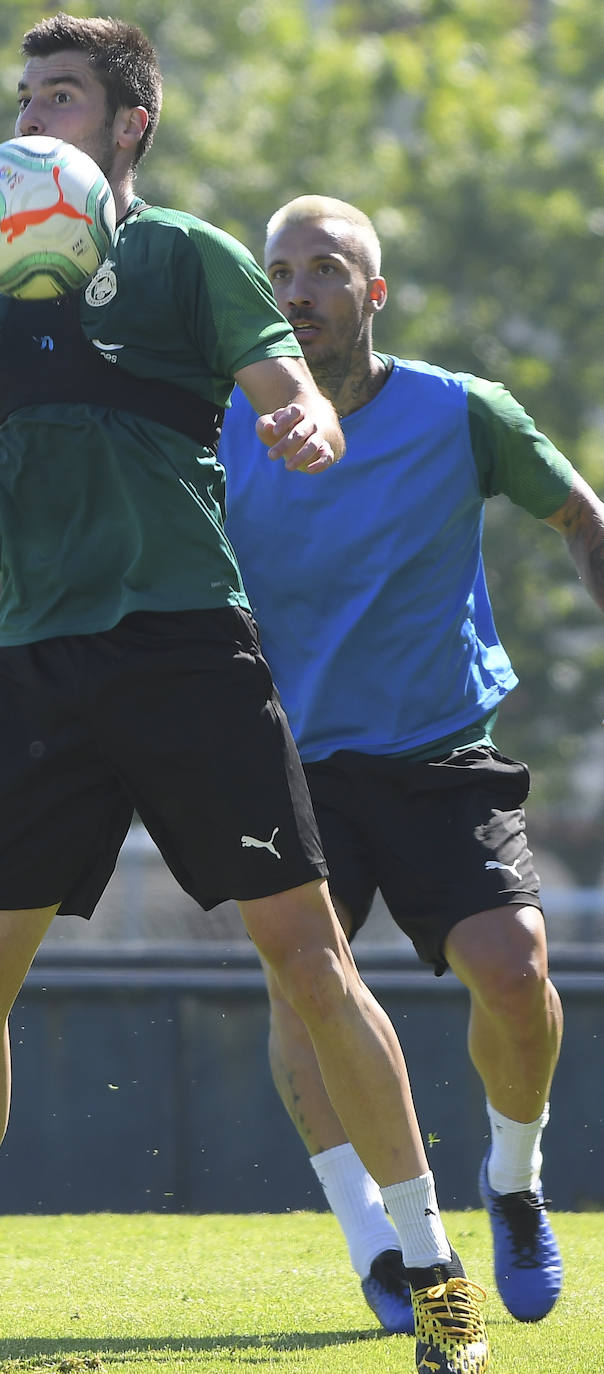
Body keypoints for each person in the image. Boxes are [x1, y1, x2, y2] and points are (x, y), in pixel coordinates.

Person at [0, 21, 487, 1374]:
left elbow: (289, 387)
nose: (30, 114)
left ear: (128, 125)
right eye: (21, 96)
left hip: (186, 652)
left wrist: (306, 417)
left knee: (309, 962)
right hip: (39, 671)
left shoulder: (185, 252)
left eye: (58, 95)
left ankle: (433, 1277)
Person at [219, 194, 604, 1335]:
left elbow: (583, 519)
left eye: (325, 269)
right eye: (279, 274)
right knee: (305, 986)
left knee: (517, 972)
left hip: (441, 751)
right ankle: (373, 1242)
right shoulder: (218, 421)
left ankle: (515, 1181)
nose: (298, 292)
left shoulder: (461, 412)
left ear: (371, 294)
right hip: (287, 763)